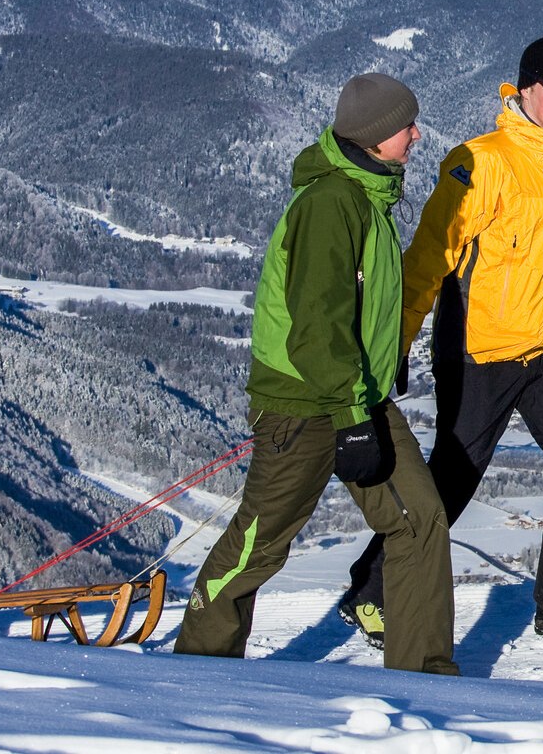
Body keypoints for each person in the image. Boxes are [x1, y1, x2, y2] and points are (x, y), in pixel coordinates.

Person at [340, 35, 543, 640]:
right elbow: (427, 259)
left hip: (542, 345)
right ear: (524, 87)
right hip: (478, 347)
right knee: (454, 475)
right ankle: (371, 591)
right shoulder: (480, 160)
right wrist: (395, 342)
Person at [176, 73, 458, 675]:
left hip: (358, 395)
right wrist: (353, 420)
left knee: (420, 520)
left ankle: (428, 678)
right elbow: (317, 325)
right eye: (407, 124)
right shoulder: (332, 203)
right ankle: (196, 666)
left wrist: (384, 365)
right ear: (378, 135)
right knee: (262, 541)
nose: (416, 134)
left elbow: (363, 304)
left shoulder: (369, 194)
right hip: (305, 407)